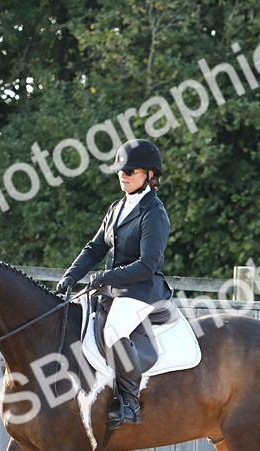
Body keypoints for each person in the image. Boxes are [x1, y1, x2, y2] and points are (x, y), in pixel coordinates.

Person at [56, 139, 173, 429]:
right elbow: (95, 248)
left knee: (113, 331)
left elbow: (147, 265)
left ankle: (130, 403)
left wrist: (107, 277)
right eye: (120, 170)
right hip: (114, 288)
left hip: (142, 290)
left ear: (149, 174)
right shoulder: (117, 207)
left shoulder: (154, 213)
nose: (123, 175)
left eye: (130, 171)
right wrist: (71, 274)